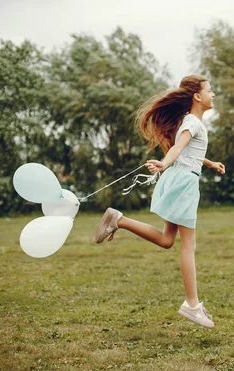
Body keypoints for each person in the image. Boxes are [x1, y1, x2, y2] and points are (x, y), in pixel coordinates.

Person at [94, 75, 225, 328]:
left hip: (180, 179)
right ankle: (192, 305)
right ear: (197, 96)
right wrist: (164, 162)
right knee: (188, 246)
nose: (213, 95)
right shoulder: (192, 122)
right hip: (183, 183)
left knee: (167, 240)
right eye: (210, 90)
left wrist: (209, 162)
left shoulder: (192, 121)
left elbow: (187, 150)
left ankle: (119, 219)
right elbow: (177, 149)